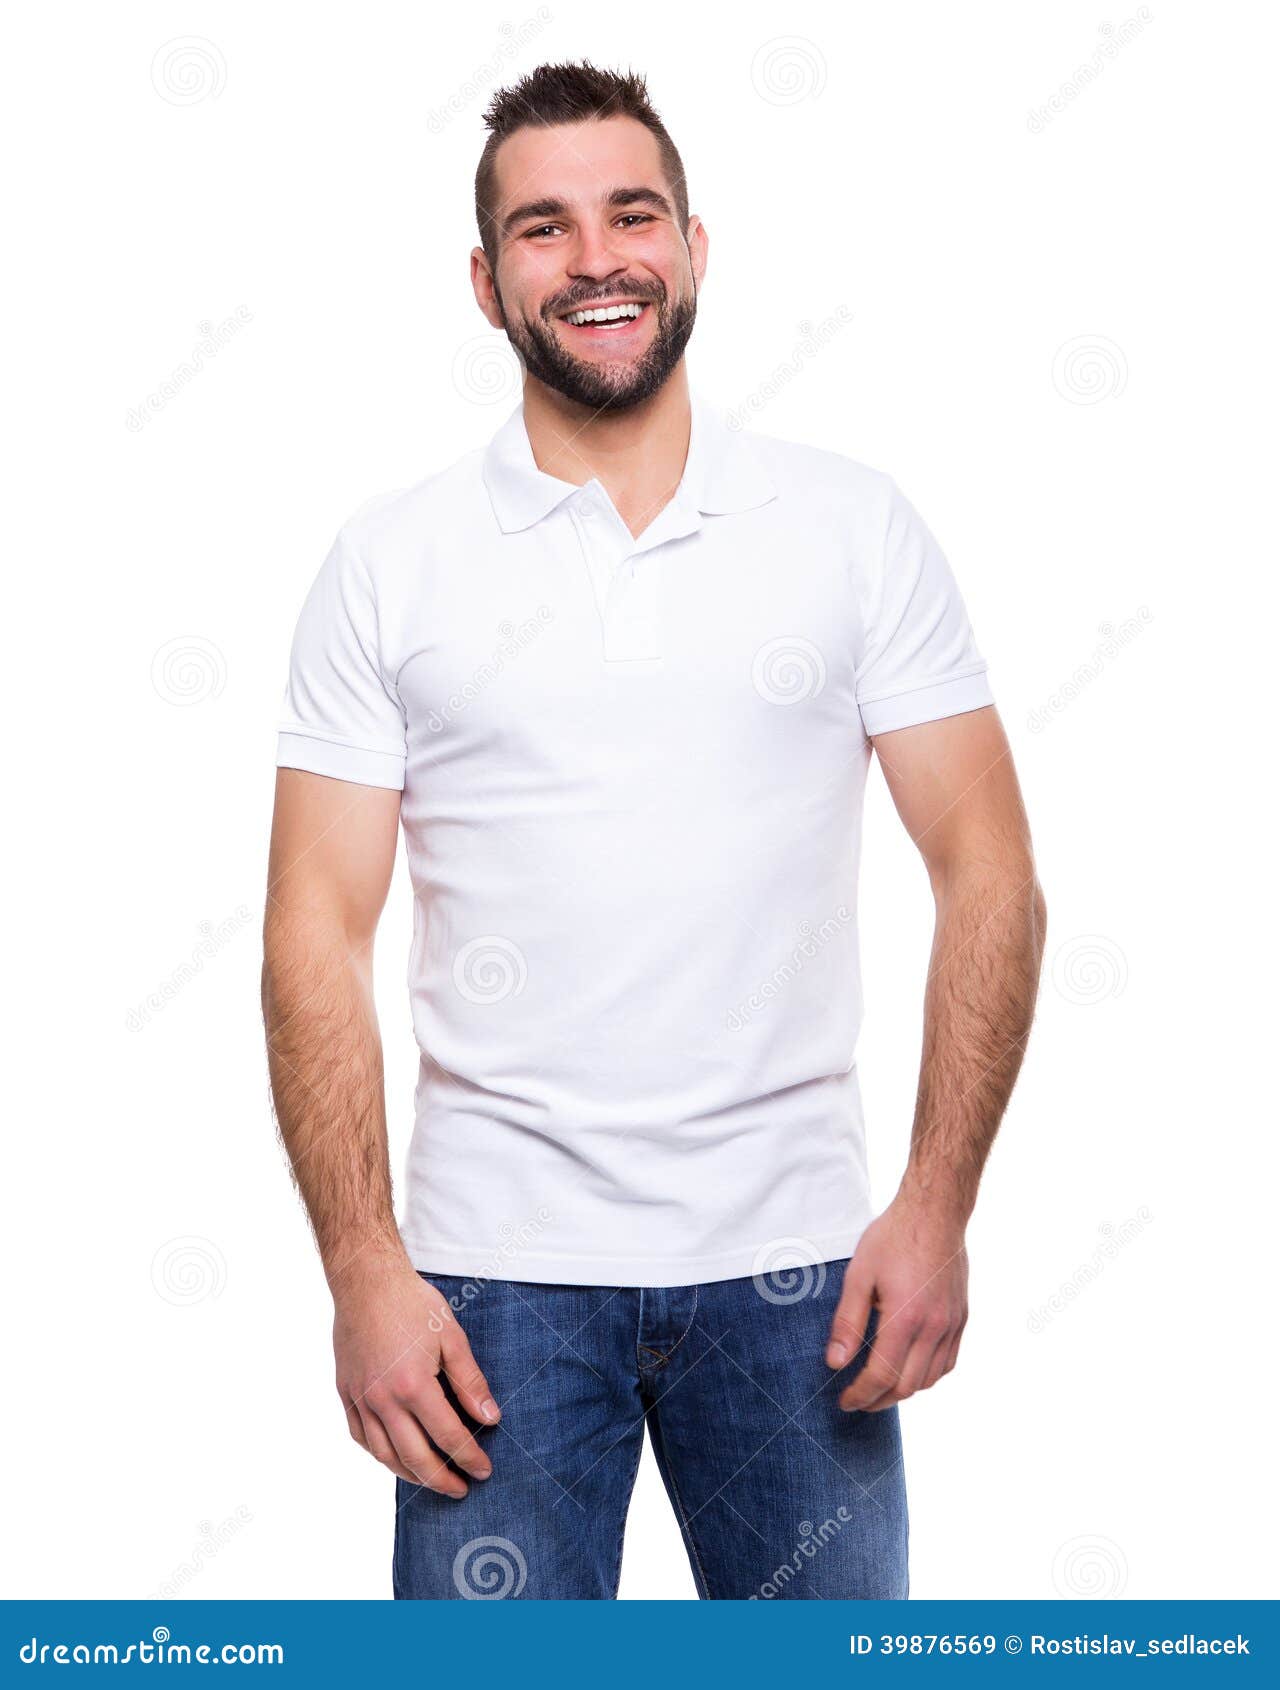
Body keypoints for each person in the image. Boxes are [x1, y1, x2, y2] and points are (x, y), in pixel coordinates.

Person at [262, 59, 1046, 1602]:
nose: (596, 257)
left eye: (632, 214)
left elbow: (990, 868)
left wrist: (938, 1206)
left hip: (803, 1278)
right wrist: (364, 1265)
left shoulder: (851, 526)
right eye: (544, 229)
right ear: (488, 284)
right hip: (491, 1292)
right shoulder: (390, 562)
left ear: (695, 245)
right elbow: (310, 929)